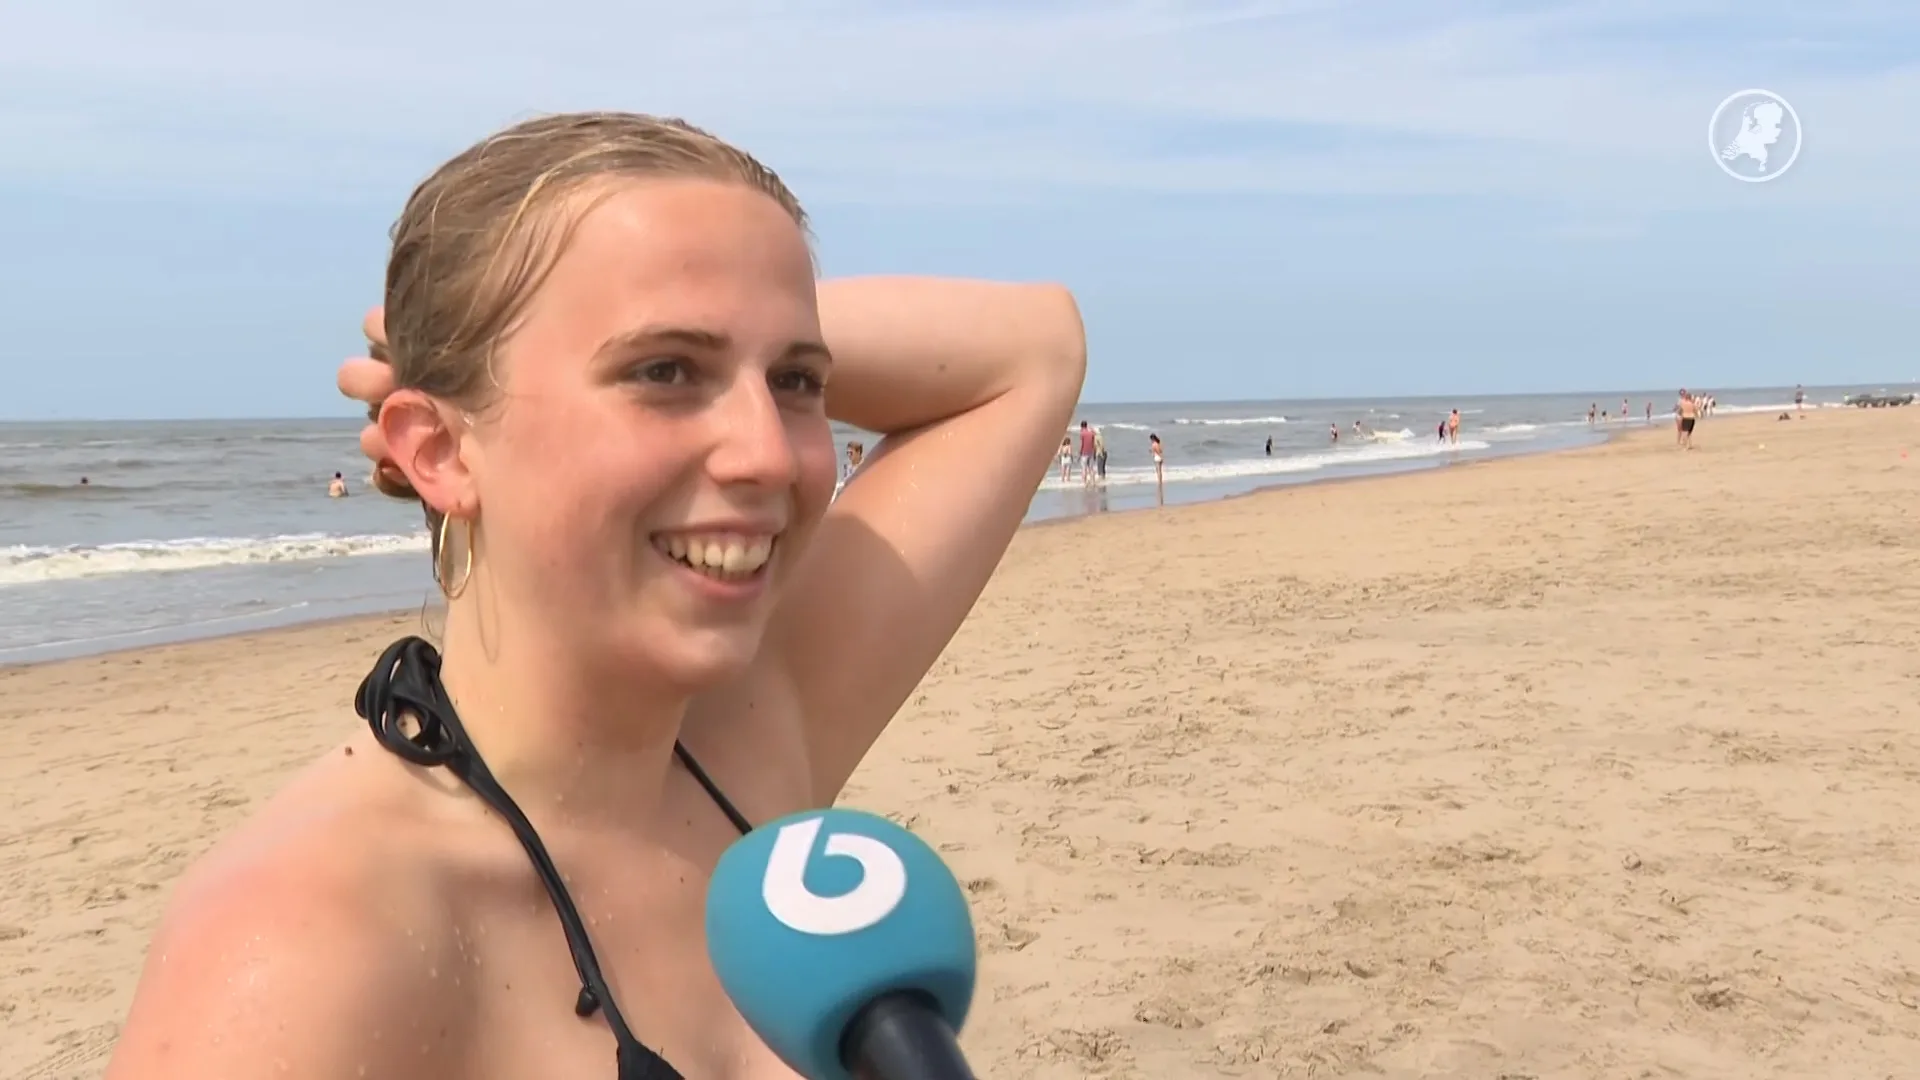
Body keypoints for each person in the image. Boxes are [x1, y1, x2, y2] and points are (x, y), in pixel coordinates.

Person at [104, 112, 1086, 1080]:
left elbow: (1033, 349)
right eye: (664, 371)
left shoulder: (745, 739)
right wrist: (487, 354)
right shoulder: (306, 951)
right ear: (438, 449)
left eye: (795, 380)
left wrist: (501, 348)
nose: (768, 454)